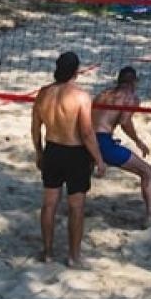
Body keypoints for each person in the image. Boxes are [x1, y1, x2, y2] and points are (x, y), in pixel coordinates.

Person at [31, 51, 106, 266]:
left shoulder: (43, 93)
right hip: (75, 154)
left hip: (52, 150)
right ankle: (73, 256)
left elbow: (35, 127)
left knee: (49, 204)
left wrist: (39, 152)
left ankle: (47, 253)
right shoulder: (81, 96)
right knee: (76, 207)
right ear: (76, 71)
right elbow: (86, 133)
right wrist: (99, 159)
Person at [92, 66, 151, 227]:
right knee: (147, 171)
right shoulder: (130, 98)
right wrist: (138, 141)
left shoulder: (102, 94)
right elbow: (125, 122)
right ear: (134, 82)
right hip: (103, 143)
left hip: (85, 140)